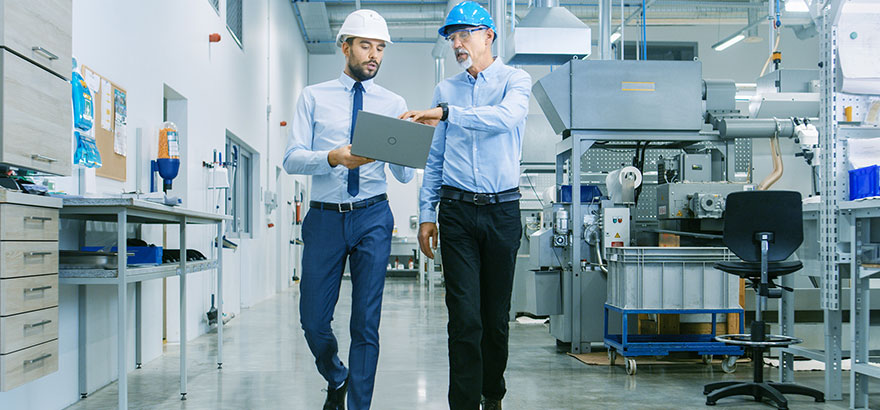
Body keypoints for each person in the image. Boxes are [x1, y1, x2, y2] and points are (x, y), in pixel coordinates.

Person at [400, 2, 531, 409]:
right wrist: (426, 214)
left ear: (488, 35)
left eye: (464, 35)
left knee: (494, 319)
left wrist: (447, 114)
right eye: (451, 37)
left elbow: (504, 119)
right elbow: (436, 158)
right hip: (455, 213)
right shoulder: (446, 89)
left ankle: (493, 395)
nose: (457, 44)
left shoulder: (515, 80)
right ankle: (462, 403)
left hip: (502, 211)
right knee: (464, 318)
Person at [283, 9, 413, 410]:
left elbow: (404, 177)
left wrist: (408, 141)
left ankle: (358, 405)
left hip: (373, 215)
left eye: (380, 48)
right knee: (314, 321)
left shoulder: (393, 103)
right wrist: (333, 158)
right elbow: (291, 159)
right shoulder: (313, 96)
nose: (374, 55)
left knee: (366, 322)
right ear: (346, 48)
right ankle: (335, 375)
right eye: (365, 46)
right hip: (324, 217)